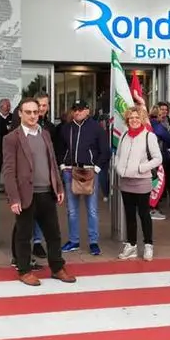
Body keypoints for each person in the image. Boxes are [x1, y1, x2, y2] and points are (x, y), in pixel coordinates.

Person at [2, 98, 76, 286]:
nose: (33, 115)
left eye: (36, 112)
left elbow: (52, 163)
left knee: (54, 234)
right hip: (26, 195)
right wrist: (13, 198)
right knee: (24, 235)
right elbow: (9, 171)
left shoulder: (45, 134)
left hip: (47, 193)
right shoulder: (12, 138)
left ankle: (57, 268)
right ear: (20, 113)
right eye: (28, 112)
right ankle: (24, 270)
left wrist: (58, 187)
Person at [57, 99, 110, 255]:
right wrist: (62, 165)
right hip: (70, 171)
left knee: (92, 210)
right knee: (71, 210)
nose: (77, 112)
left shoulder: (96, 128)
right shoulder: (66, 128)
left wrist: (97, 168)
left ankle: (93, 241)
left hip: (89, 172)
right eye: (75, 109)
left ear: (88, 110)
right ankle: (74, 241)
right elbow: (59, 148)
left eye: (80, 109)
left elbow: (105, 150)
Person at [115, 106, 163, 261]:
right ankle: (131, 245)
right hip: (126, 181)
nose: (134, 120)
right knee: (129, 215)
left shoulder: (149, 136)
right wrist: (119, 167)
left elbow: (157, 158)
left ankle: (148, 244)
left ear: (141, 119)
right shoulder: (123, 135)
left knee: (143, 214)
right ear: (127, 120)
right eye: (131, 118)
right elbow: (118, 155)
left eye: (137, 117)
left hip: (142, 181)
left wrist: (141, 168)